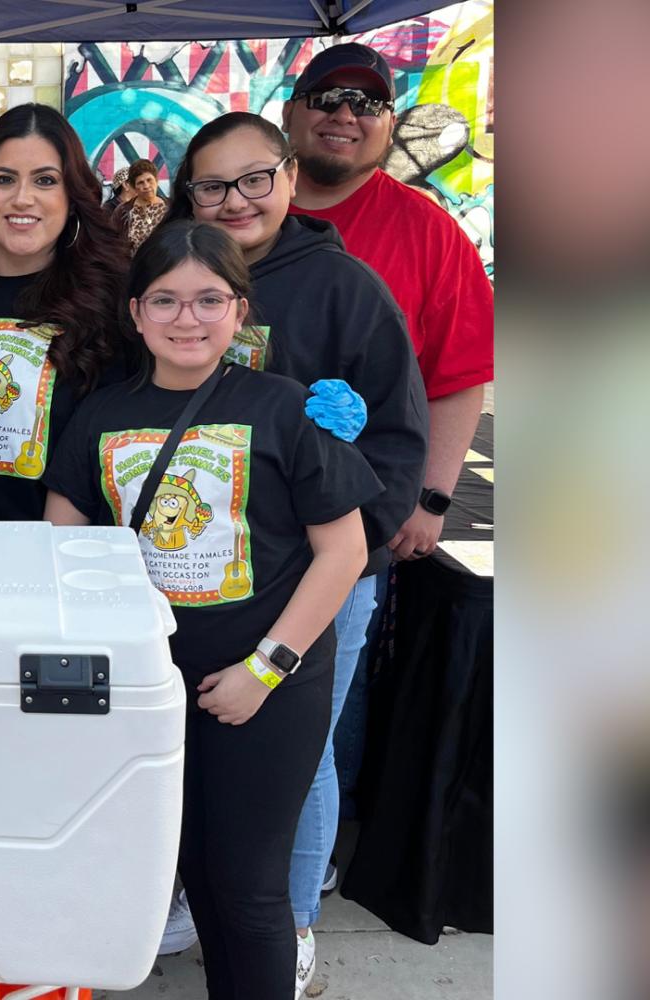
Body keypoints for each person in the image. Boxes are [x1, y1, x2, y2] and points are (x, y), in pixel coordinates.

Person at [43, 220, 380, 1000]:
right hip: (151, 694)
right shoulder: (100, 413)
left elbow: (345, 553)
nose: (185, 319)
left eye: (207, 300)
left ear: (239, 310)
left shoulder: (285, 408)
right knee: (190, 868)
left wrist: (266, 669)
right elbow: (65, 547)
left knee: (250, 890)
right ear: (135, 313)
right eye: (164, 300)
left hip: (266, 689)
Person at [159, 110, 429, 992]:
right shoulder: (176, 278)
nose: (236, 199)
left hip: (322, 572)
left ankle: (296, 915)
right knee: (208, 742)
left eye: (254, 178)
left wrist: (363, 537)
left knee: (298, 755)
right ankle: (213, 893)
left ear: (286, 175)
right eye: (212, 184)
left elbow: (399, 431)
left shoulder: (345, 287)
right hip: (204, 569)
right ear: (187, 192)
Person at [282, 45, 494, 938]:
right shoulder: (236, 217)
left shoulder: (426, 229)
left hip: (356, 524)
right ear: (292, 115)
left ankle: (300, 890)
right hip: (223, 528)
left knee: (321, 715)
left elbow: (461, 371)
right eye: (326, 97)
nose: (346, 113)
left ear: (389, 123)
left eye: (367, 102)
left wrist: (431, 498)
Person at [0, 103, 131, 522]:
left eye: (45, 180)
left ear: (72, 196)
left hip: (58, 556)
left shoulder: (114, 304)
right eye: (4, 179)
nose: (22, 198)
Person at [113, 157, 168, 249]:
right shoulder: (122, 211)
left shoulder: (171, 208)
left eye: (149, 180)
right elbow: (111, 242)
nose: (146, 186)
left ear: (157, 180)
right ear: (134, 187)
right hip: (133, 263)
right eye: (140, 183)